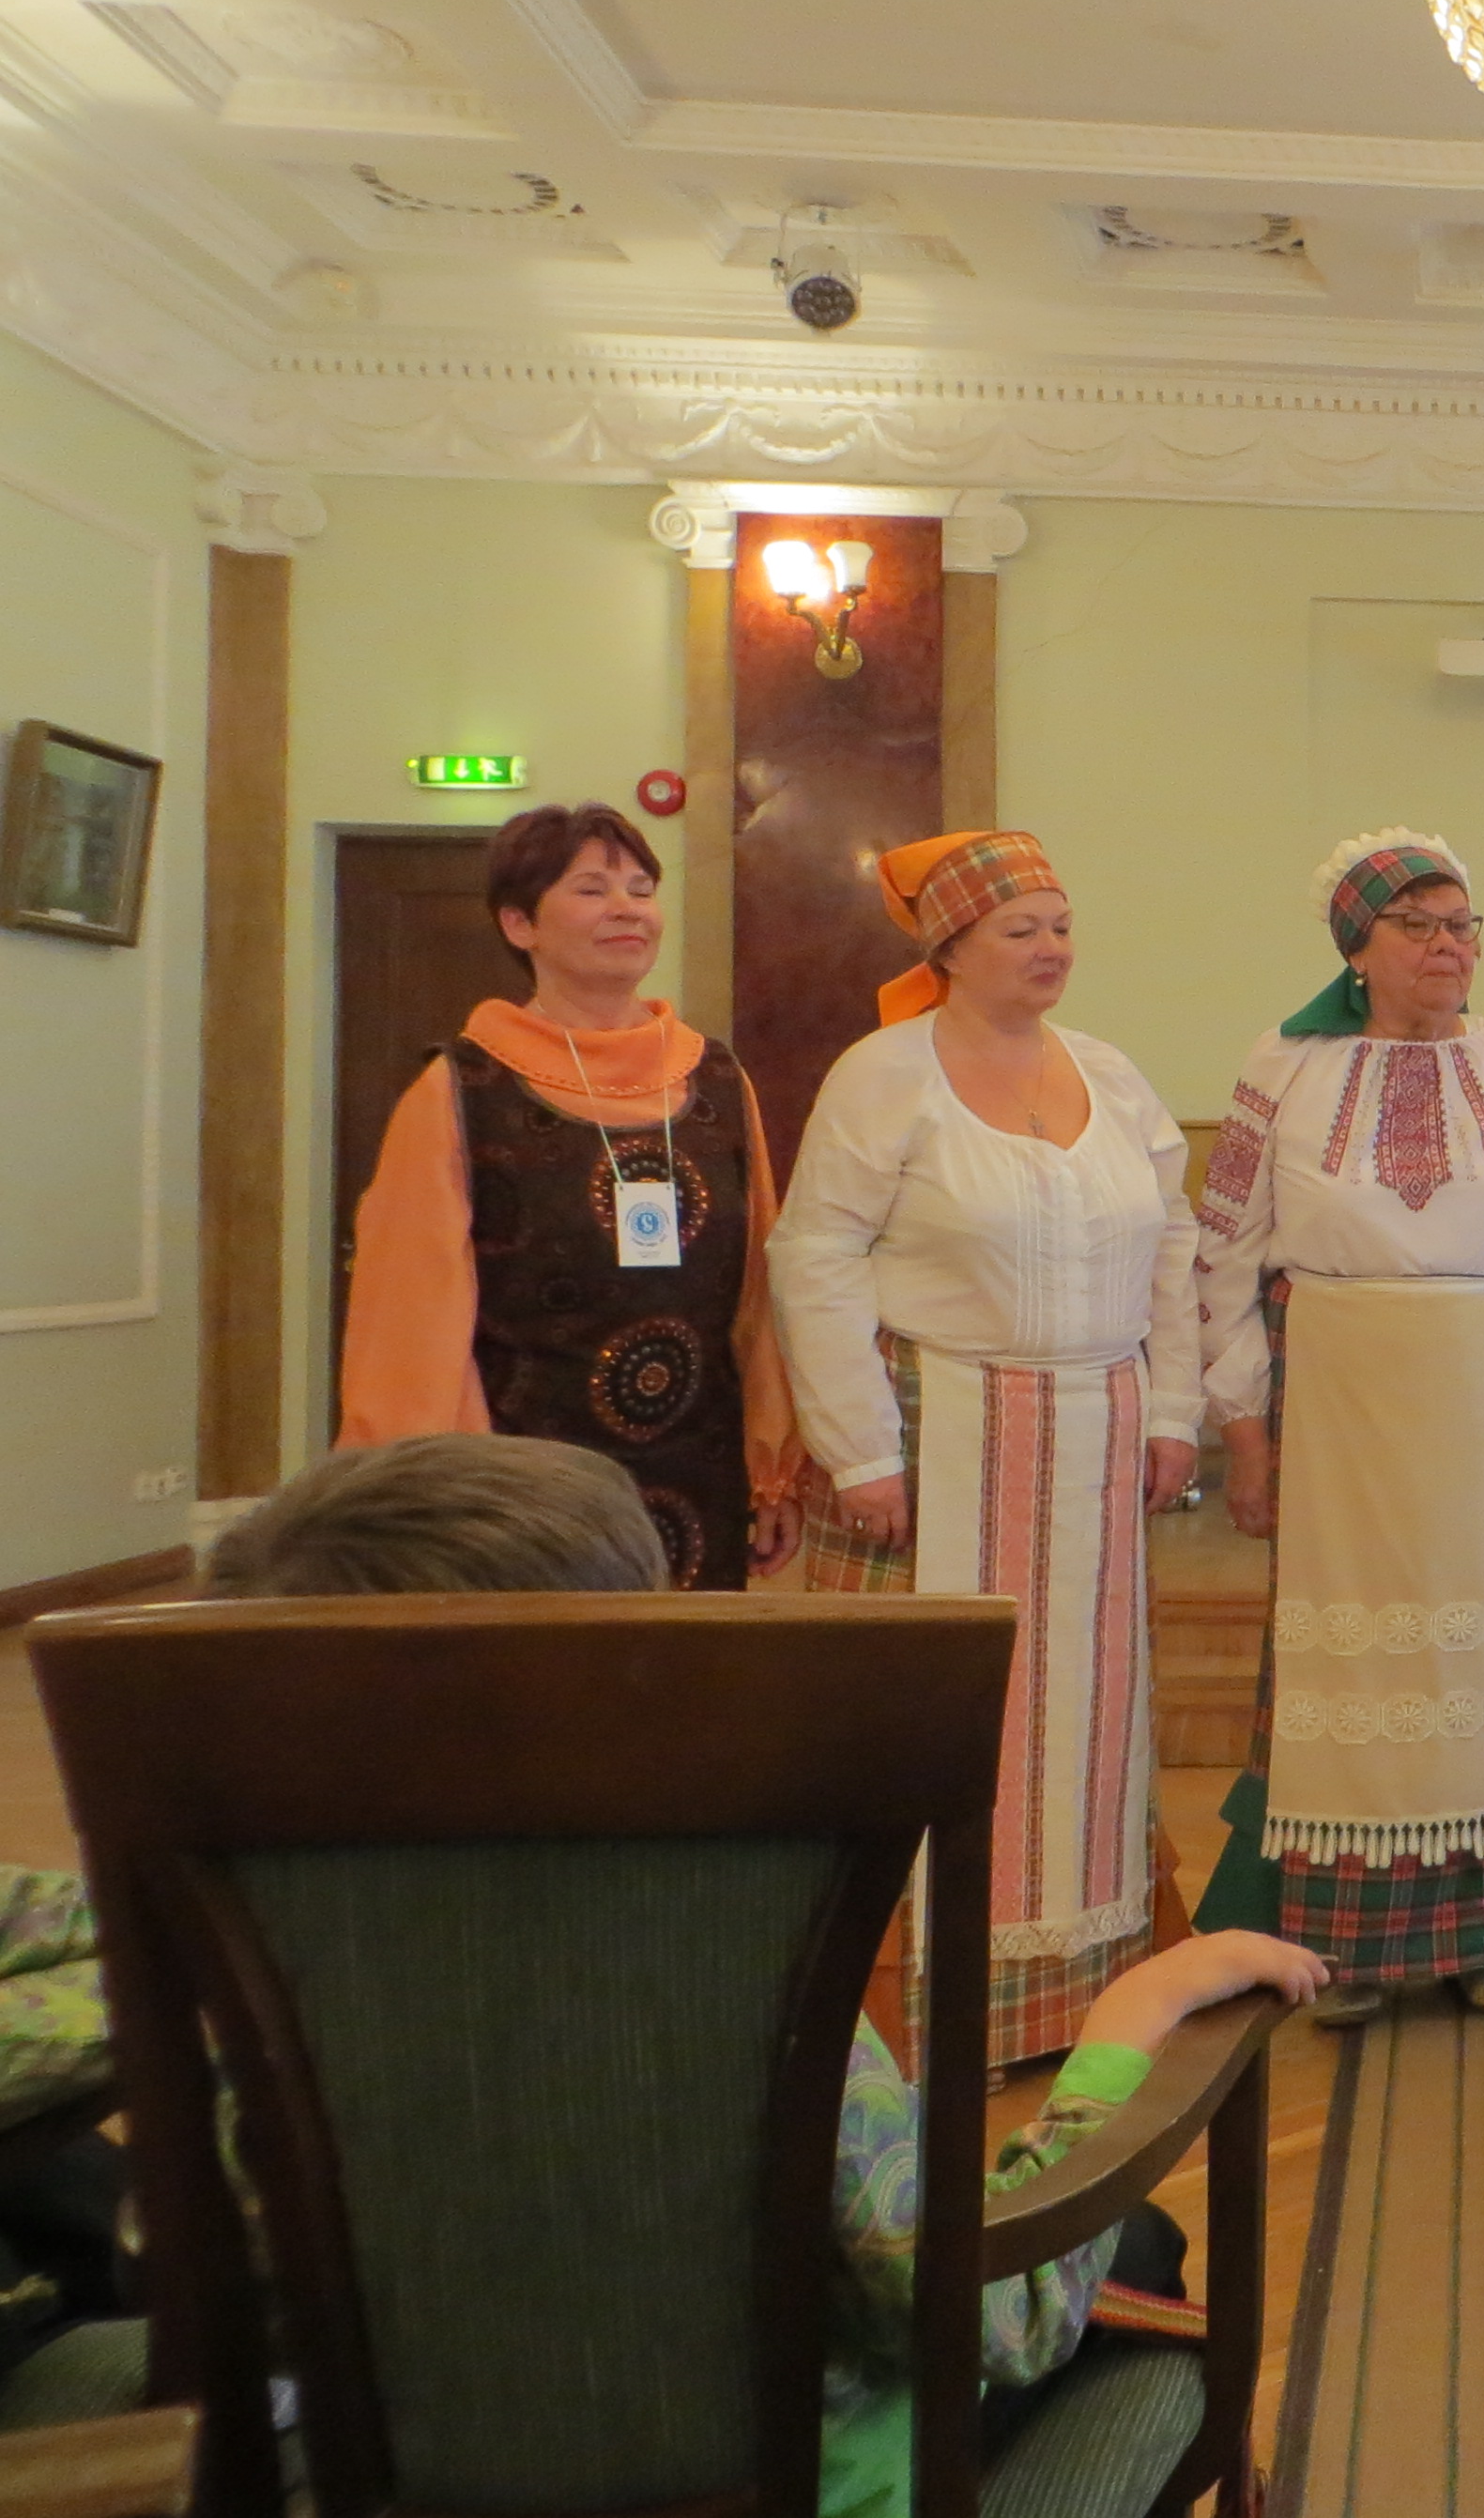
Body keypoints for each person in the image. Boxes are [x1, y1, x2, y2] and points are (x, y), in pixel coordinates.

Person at [202, 1436, 1327, 2518]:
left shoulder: (227, 1964)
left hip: (377, 2480)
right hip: (811, 2489)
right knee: (1144, 2289)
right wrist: (1130, 2026)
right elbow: (987, 2319)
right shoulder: (734, 1953)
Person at [768, 833, 1201, 2071]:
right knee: (940, 1716)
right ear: (949, 949)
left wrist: (1173, 1410)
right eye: (1022, 929)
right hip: (937, 1435)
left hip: (1094, 1441)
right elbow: (815, 1252)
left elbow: (1172, 1244)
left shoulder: (1110, 1074)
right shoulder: (884, 1074)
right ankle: (914, 2013)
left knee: (1083, 1727)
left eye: (1061, 925)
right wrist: (860, 1447)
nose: (1052, 948)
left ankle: (1080, 1996)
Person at [1186, 830, 1484, 2025]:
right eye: (1416, 926)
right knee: (1353, 1659)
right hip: (1341, 1405)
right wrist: (1244, 1431)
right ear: (1355, 950)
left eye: (1462, 925)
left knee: (1477, 1661)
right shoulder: (1287, 1066)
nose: (1446, 946)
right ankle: (1341, 1943)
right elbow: (1225, 1254)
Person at [338, 801, 801, 1586]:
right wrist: (433, 1501)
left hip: (702, 1478)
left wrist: (773, 1466)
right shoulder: (461, 1087)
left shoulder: (717, 1077)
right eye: (591, 889)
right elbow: (408, 1323)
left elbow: (759, 1294)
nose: (627, 908)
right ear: (520, 924)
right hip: (526, 1493)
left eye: (641, 889)